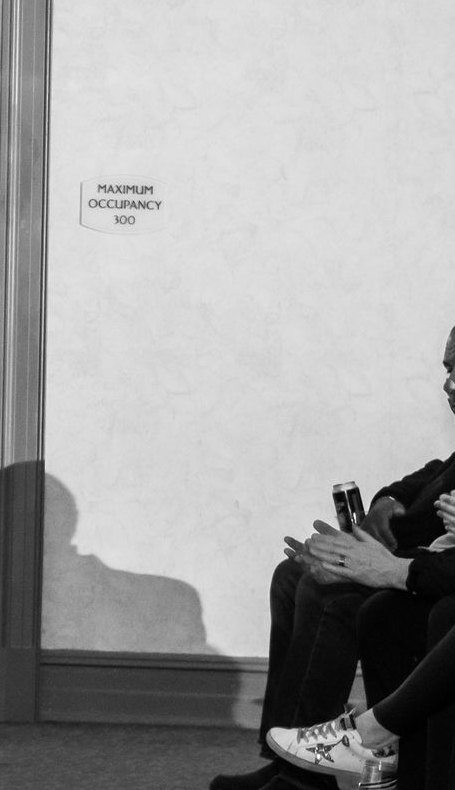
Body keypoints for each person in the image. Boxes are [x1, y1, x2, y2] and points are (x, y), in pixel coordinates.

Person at [214, 328, 455, 790]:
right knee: (291, 576)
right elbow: (431, 477)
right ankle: (284, 757)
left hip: (429, 575)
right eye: (447, 370)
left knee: (327, 591)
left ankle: (302, 778)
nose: (448, 384)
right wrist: (386, 501)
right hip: (420, 561)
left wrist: (371, 559)